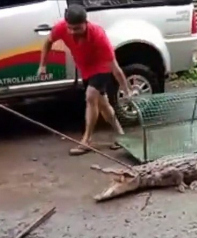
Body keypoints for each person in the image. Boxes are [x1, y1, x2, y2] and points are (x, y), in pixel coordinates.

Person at [38, 4, 132, 156]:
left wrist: (126, 90)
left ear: (85, 23)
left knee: (90, 97)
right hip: (85, 68)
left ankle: (86, 140)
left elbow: (115, 67)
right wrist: (42, 65)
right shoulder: (61, 27)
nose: (73, 32)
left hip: (101, 67)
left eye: (78, 28)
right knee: (102, 104)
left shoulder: (98, 35)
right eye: (71, 28)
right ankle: (122, 136)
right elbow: (48, 42)